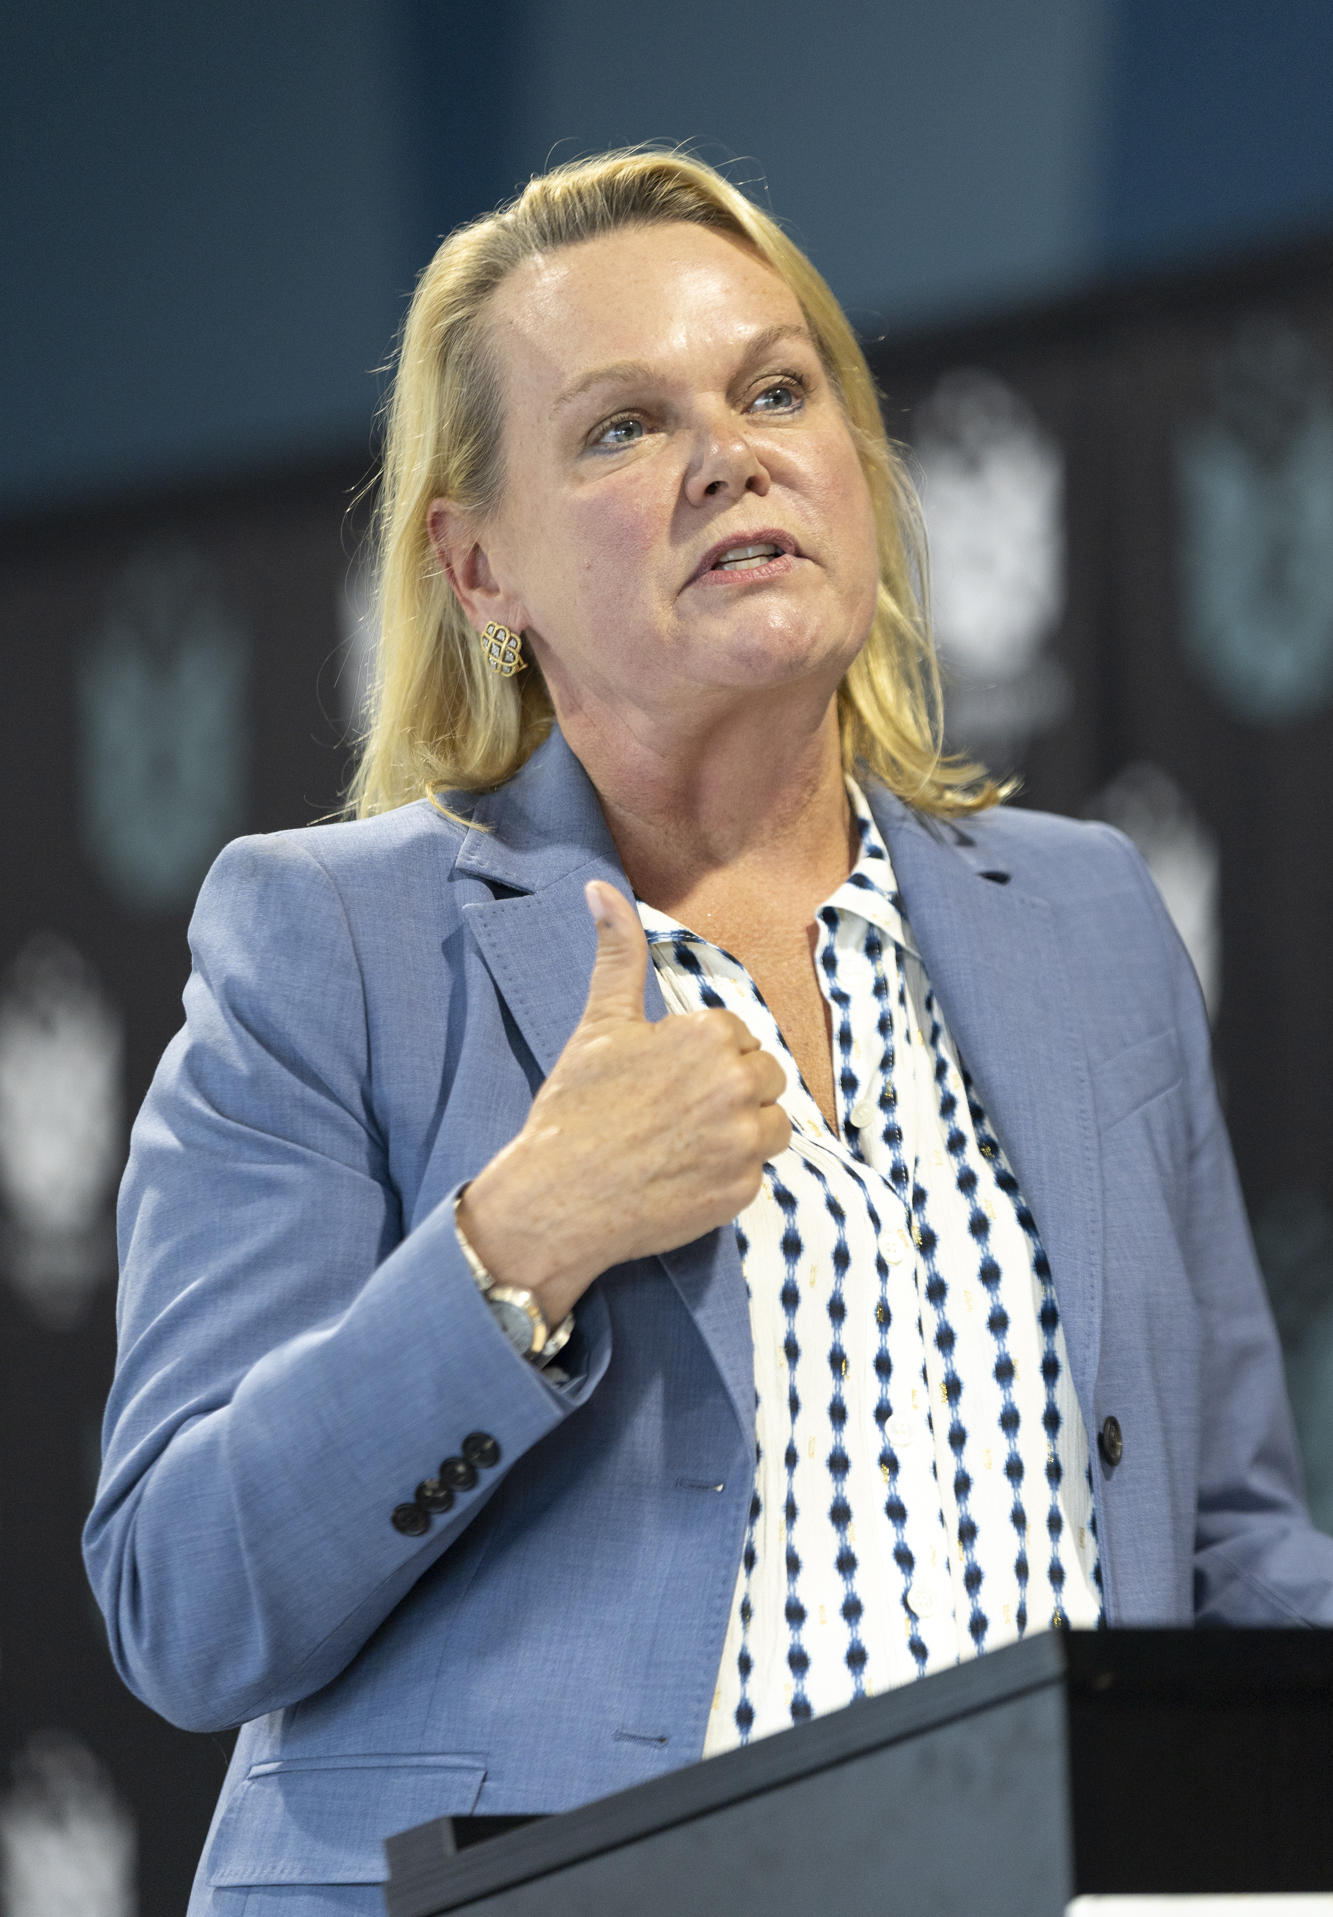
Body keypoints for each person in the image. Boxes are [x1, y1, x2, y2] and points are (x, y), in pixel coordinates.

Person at [84, 149, 1333, 1916]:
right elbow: (183, 1600)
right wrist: (520, 1243)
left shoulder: (1085, 920)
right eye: (619, 428)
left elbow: (1223, 1539)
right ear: (477, 564)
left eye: (774, 387)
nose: (731, 453)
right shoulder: (334, 942)